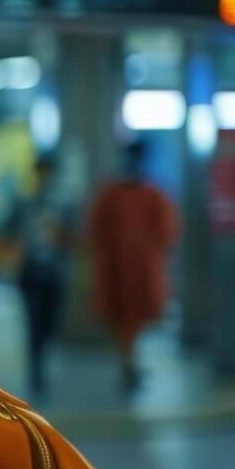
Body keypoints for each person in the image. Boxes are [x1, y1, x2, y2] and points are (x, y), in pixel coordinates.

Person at [88, 138, 180, 392]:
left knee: (126, 319)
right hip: (141, 266)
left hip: (120, 264)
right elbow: (168, 232)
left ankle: (129, 360)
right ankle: (129, 361)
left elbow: (96, 229)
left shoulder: (113, 193)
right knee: (133, 318)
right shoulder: (152, 193)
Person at [6, 155, 75, 397]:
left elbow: (73, 238)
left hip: (54, 274)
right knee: (33, 322)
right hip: (30, 273)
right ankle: (36, 369)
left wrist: (61, 236)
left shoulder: (63, 206)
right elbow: (9, 232)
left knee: (49, 323)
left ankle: (42, 356)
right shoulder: (24, 203)